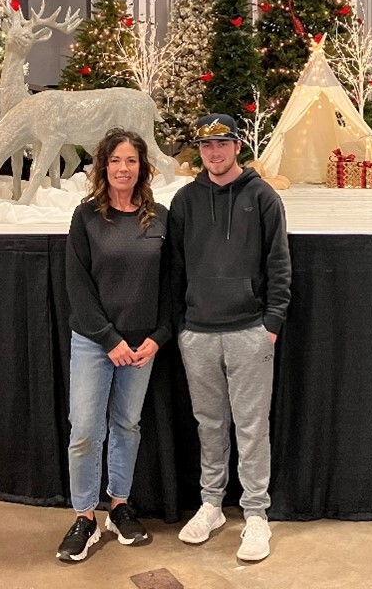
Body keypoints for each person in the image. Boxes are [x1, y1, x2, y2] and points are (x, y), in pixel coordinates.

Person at [168, 113, 291, 562]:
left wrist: (272, 324)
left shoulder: (262, 197)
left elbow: (279, 264)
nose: (213, 153)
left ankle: (256, 514)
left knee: (252, 426)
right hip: (198, 334)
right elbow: (175, 269)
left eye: (221, 144)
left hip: (249, 332)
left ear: (237, 146)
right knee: (210, 424)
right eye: (205, 146)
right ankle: (211, 505)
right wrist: (182, 326)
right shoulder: (184, 201)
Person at [57, 128, 171, 563]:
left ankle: (119, 507)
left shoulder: (159, 217)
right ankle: (85, 517)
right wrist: (109, 339)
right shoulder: (86, 217)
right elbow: (77, 286)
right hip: (94, 343)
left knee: (127, 426)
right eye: (115, 160)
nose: (123, 169)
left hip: (142, 348)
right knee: (86, 430)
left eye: (132, 161)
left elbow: (170, 286)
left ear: (142, 167)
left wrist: (157, 339)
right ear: (103, 166)